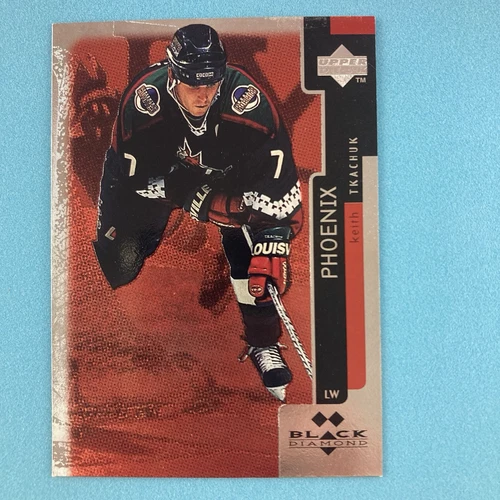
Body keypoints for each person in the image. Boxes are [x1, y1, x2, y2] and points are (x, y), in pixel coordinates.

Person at [93, 24, 303, 401]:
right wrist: (194, 195)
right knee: (122, 257)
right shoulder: (143, 104)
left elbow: (279, 183)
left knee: (251, 249)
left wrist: (273, 240)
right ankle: (99, 328)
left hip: (230, 174)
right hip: (156, 176)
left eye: (211, 81)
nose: (204, 93)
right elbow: (135, 180)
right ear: (173, 75)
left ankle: (263, 342)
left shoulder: (248, 103)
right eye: (193, 82)